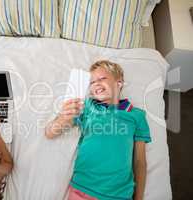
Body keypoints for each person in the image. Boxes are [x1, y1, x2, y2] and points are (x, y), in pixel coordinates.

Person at [45, 60, 151, 200]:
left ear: (119, 83)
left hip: (119, 194)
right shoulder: (87, 106)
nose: (96, 84)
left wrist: (139, 197)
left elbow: (139, 162)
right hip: (83, 189)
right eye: (92, 82)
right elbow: (49, 133)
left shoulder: (136, 115)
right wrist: (63, 118)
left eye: (102, 78)